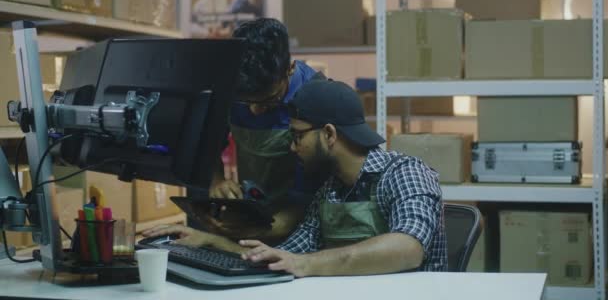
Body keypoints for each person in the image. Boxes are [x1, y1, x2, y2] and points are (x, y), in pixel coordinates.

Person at [143, 79, 447, 276]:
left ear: (328, 134)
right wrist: (210, 241)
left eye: (297, 136)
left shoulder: (405, 173)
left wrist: (310, 263)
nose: (291, 147)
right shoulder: (329, 191)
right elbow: (288, 255)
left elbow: (408, 248)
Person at [189, 18, 325, 245]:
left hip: (298, 222)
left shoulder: (314, 100)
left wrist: (244, 234)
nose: (255, 110)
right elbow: (209, 137)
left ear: (290, 69)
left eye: (269, 101)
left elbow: (304, 201)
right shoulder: (228, 82)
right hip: (253, 210)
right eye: (245, 101)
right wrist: (216, 179)